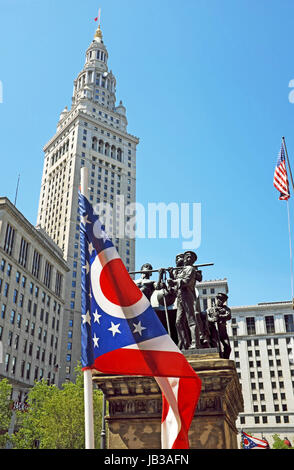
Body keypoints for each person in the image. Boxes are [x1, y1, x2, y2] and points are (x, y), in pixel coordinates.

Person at [168, 251, 203, 350]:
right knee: (178, 322)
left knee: (191, 320)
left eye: (190, 257)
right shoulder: (182, 269)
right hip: (180, 296)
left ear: (193, 260)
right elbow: (176, 279)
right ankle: (184, 343)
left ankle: (195, 343)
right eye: (186, 257)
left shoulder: (190, 269)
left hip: (187, 294)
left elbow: (186, 281)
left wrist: (174, 281)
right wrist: (171, 274)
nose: (187, 259)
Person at [207, 292, 231, 358]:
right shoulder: (210, 309)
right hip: (214, 332)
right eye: (219, 299)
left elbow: (228, 316)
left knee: (228, 347)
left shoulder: (225, 309)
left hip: (223, 332)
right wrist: (213, 319)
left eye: (222, 300)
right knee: (216, 349)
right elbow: (207, 318)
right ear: (217, 299)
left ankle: (225, 361)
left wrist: (219, 316)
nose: (221, 301)